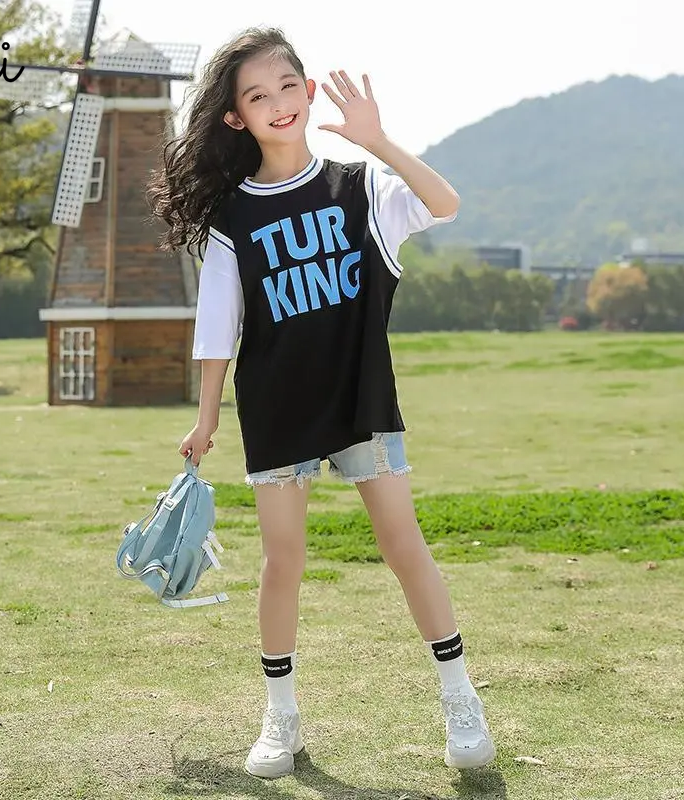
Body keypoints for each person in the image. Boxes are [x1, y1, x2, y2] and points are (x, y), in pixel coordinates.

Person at [147, 26, 495, 780]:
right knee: (283, 562)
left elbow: (444, 204)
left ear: (307, 92)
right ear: (235, 117)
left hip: (361, 396)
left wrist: (378, 141)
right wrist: (206, 417)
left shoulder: (361, 188)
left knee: (404, 545)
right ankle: (281, 718)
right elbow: (217, 325)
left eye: (286, 86)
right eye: (257, 96)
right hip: (277, 406)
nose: (277, 103)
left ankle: (460, 700)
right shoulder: (233, 219)